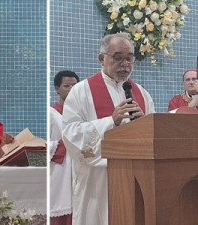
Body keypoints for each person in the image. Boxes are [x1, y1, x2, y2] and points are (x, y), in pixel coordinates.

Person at [62, 33, 155, 225]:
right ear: (102, 58)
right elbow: (71, 135)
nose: (124, 64)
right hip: (97, 185)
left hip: (136, 181)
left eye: (129, 58)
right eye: (118, 57)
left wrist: (145, 123)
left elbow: (153, 136)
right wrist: (110, 122)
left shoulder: (142, 94)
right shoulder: (81, 91)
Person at [50, 70, 79, 225]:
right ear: (57, 88)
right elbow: (44, 145)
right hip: (60, 172)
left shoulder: (82, 114)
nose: (71, 89)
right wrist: (64, 144)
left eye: (75, 86)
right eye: (67, 86)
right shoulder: (51, 114)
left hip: (80, 171)